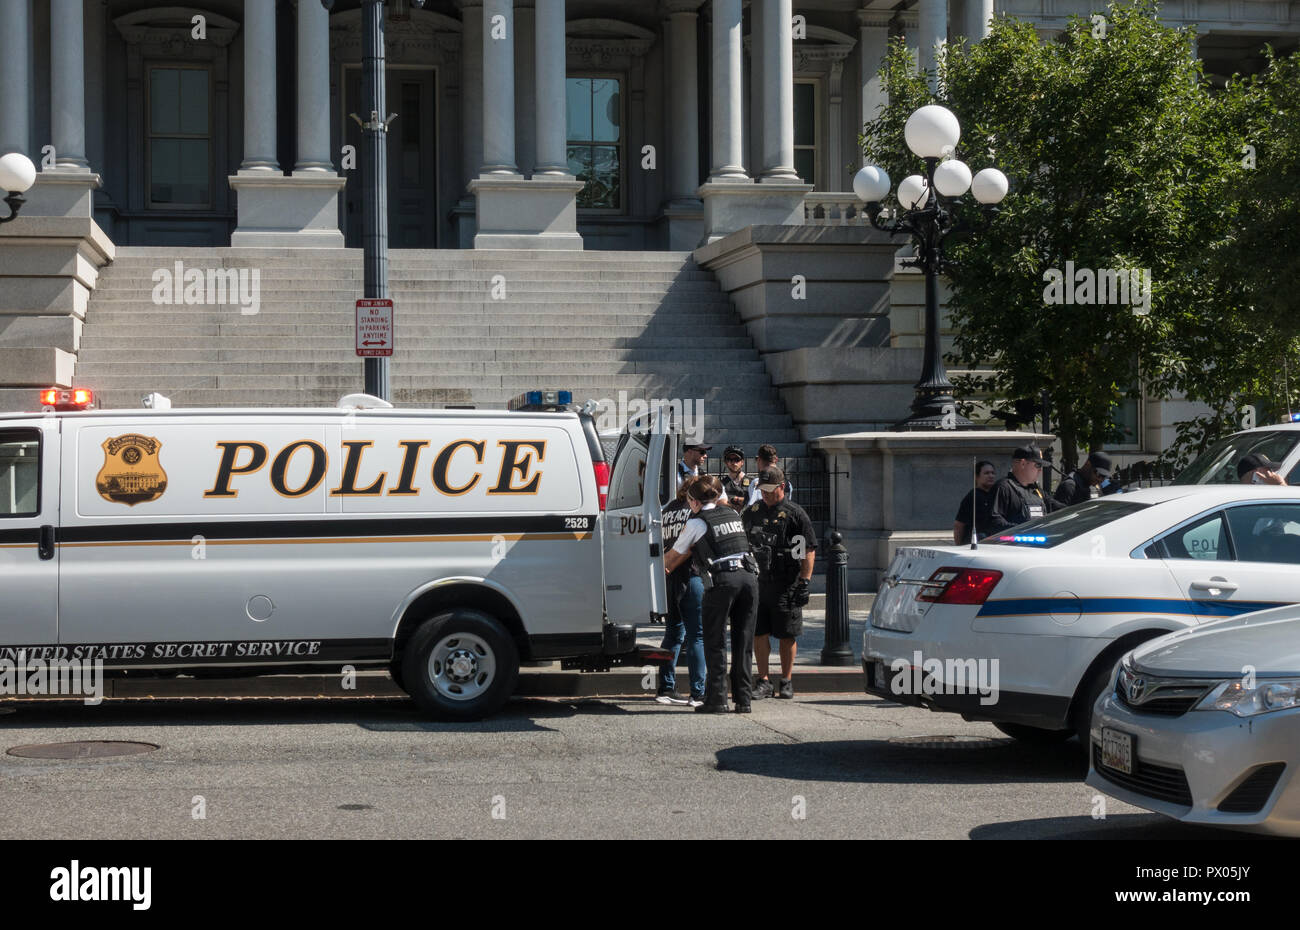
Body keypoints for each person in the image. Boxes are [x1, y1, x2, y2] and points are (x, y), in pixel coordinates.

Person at [662, 475, 759, 714]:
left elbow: (672, 558)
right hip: (749, 578)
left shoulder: (697, 522)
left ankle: (717, 699)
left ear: (693, 501)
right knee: (743, 642)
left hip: (722, 580)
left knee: (715, 642)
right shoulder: (733, 514)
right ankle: (743, 700)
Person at [743, 466, 816, 700]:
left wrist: (805, 581)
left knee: (787, 633)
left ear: (782, 487)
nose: (764, 494)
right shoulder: (752, 512)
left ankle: (787, 680)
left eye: (769, 490)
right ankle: (763, 680)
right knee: (759, 632)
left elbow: (808, 550)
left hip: (787, 582)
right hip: (759, 581)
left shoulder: (795, 514)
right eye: (761, 490)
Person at [654, 478, 707, 706]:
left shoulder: (667, 511)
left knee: (673, 633)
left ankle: (666, 686)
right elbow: (691, 546)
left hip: (668, 578)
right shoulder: (693, 513)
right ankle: (698, 691)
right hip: (690, 574)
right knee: (697, 635)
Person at [988, 446, 1058, 532]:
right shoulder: (1004, 487)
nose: (1040, 470)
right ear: (1023, 464)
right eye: (1038, 465)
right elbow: (994, 521)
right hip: (1014, 544)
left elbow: (1058, 508)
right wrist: (1022, 530)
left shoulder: (1036, 490)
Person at [953, 460, 998, 545]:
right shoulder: (972, 497)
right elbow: (958, 525)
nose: (991, 476)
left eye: (993, 473)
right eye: (986, 473)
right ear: (977, 477)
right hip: (975, 543)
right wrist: (959, 547)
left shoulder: (996, 495)